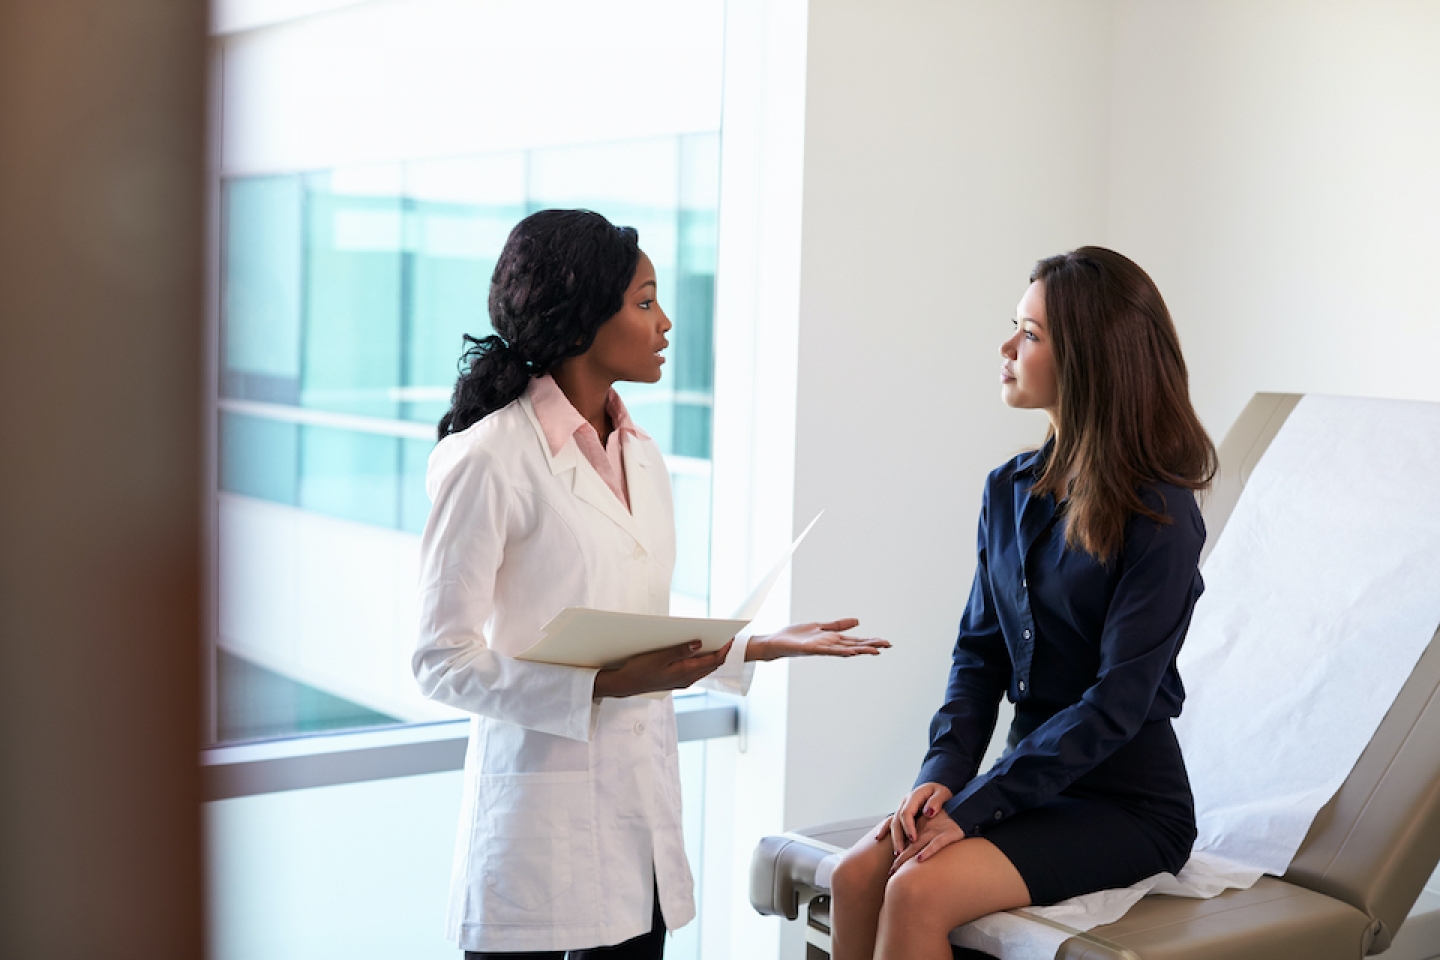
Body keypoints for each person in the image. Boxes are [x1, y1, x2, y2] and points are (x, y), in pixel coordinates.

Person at [413, 208, 889, 959]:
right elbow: (442, 661)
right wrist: (598, 687)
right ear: (580, 319)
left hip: (637, 838)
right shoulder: (490, 458)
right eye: (643, 302)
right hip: (537, 840)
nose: (665, 321)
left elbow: (639, 636)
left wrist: (756, 646)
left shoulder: (642, 454)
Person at [827, 247, 1217, 960]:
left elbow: (1117, 703)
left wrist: (978, 806)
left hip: (1127, 805)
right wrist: (942, 779)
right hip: (1028, 784)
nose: (1006, 348)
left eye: (1030, 335)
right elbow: (978, 657)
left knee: (915, 889)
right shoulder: (1009, 489)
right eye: (1015, 327)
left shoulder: (1161, 512)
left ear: (1090, 359)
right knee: (857, 875)